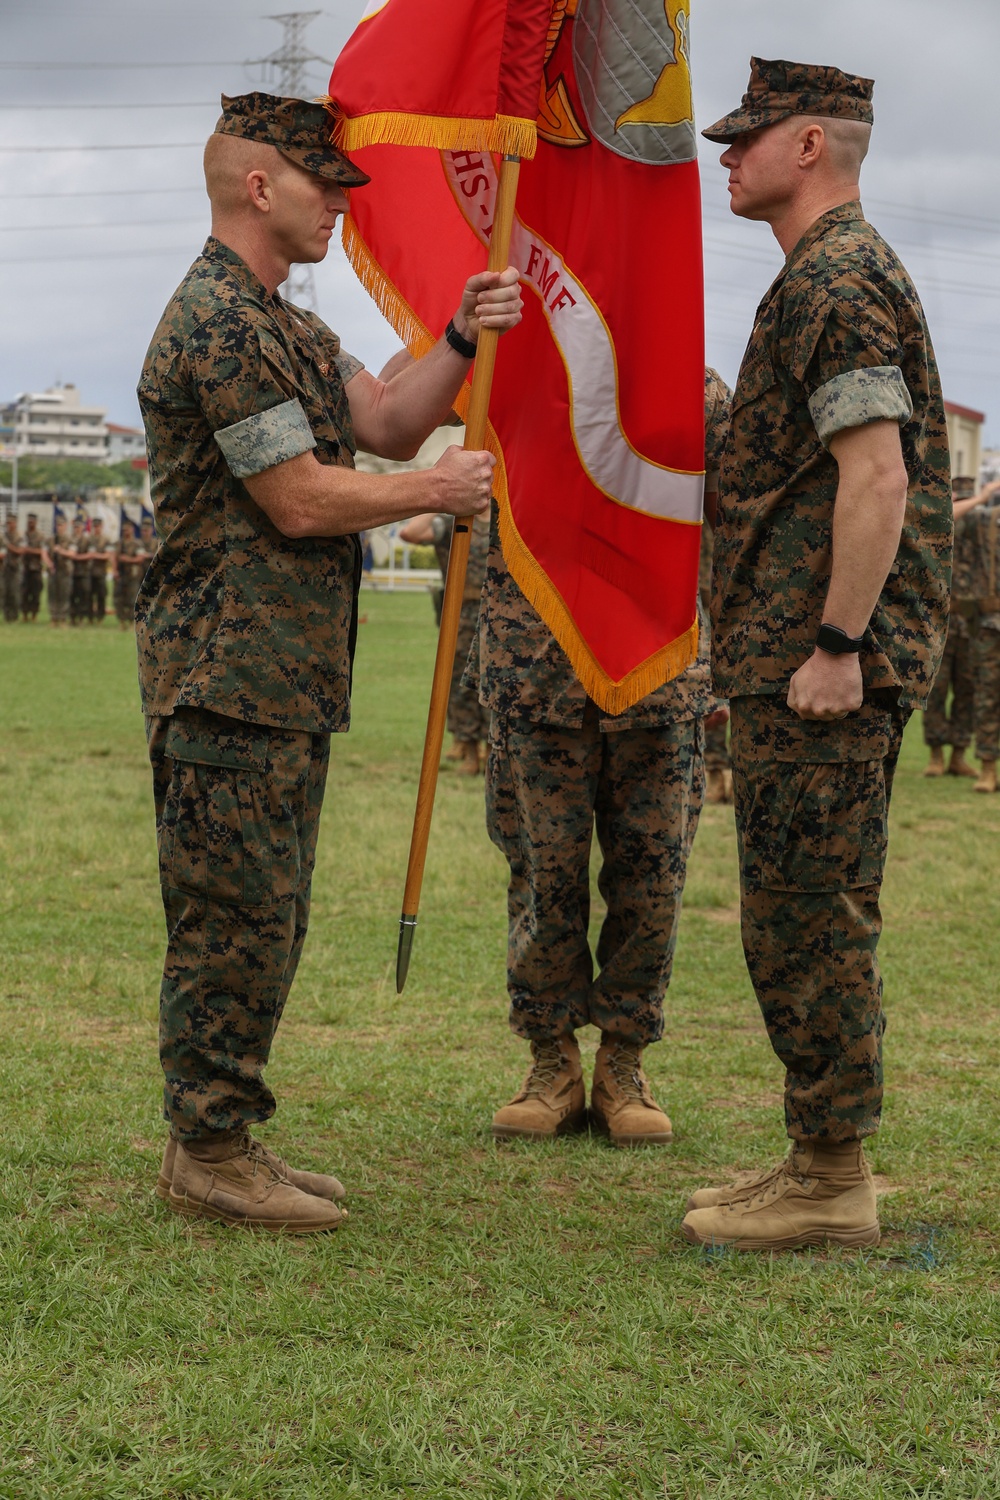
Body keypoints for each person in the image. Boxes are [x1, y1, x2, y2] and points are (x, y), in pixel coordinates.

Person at [136, 91, 522, 1233]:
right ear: (261, 185)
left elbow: (391, 419)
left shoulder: (286, 326)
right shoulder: (215, 322)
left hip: (280, 679)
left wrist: (458, 334)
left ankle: (227, 1135)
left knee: (269, 913)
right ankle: (206, 1148)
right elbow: (300, 499)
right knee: (229, 914)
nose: (338, 207)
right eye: (323, 186)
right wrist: (434, 493)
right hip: (225, 675)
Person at [682, 59, 952, 1250]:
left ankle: (831, 1179)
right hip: (795, 651)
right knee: (798, 906)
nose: (724, 157)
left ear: (809, 148)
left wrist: (837, 643)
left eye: (745, 140)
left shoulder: (837, 279)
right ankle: (813, 1154)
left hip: (820, 660)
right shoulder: (818, 276)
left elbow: (876, 473)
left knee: (808, 912)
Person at [474, 368, 731, 1148]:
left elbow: (740, 501)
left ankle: (623, 1064)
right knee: (543, 879)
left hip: (656, 673)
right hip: (535, 671)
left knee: (652, 881)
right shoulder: (506, 374)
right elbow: (410, 396)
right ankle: (551, 1063)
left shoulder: (688, 379)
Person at [398, 509, 492, 774]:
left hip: (496, 614)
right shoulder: (454, 524)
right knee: (462, 685)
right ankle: (469, 751)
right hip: (459, 614)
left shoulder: (504, 521)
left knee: (493, 681)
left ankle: (490, 751)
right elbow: (410, 533)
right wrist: (440, 500)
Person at [922, 476, 979, 779]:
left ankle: (958, 755)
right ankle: (935, 755)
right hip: (940, 625)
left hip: (971, 626)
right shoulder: (939, 530)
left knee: (967, 691)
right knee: (937, 691)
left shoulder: (984, 537)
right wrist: (978, 499)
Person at [953, 478, 1000, 792]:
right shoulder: (983, 519)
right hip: (990, 622)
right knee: (986, 696)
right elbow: (949, 518)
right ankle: (987, 768)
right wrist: (983, 496)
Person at [114, 516, 146, 630]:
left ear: (132, 530)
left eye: (127, 529)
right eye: (123, 530)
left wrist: (126, 559)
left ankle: (131, 620)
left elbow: (140, 558)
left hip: (133, 575)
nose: (125, 532)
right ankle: (122, 621)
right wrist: (115, 570)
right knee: (119, 598)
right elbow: (115, 558)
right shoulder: (119, 543)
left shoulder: (137, 543)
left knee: (132, 599)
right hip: (121, 575)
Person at [20, 513, 50, 622]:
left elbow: (42, 551)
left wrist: (29, 550)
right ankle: (24, 614)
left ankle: (34, 615)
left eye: (32, 521)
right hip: (25, 568)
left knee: (35, 593)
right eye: (29, 521)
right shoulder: (24, 535)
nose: (30, 523)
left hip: (36, 568)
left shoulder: (40, 536)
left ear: (36, 522)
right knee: (24, 592)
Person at [48, 512, 75, 627]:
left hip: (65, 571)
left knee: (64, 594)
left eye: (61, 525)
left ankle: (63, 618)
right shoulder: (51, 539)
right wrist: (49, 564)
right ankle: (54, 618)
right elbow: (44, 552)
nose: (59, 527)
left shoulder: (70, 540)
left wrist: (60, 551)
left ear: (66, 526)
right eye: (57, 525)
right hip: (54, 571)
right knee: (53, 594)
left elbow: (72, 553)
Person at [87, 515, 111, 624]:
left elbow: (107, 555)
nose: (96, 528)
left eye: (98, 526)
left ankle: (100, 617)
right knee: (89, 595)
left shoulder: (106, 540)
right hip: (89, 572)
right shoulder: (88, 539)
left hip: (101, 572)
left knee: (101, 595)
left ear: (101, 527)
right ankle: (90, 617)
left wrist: (94, 555)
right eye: (94, 526)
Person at [69, 515, 91, 626]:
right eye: (75, 527)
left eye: (79, 527)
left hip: (83, 572)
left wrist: (76, 557)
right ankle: (73, 618)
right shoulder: (69, 539)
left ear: (82, 527)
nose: (77, 529)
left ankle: (82, 618)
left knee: (83, 596)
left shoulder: (87, 540)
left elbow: (91, 554)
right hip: (71, 572)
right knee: (72, 595)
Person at [2, 514, 23, 622]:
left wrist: (8, 546)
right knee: (5, 592)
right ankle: (7, 616)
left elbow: (21, 551)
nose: (10, 525)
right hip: (4, 568)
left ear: (15, 523)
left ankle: (14, 616)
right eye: (8, 523)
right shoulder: (3, 536)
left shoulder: (19, 536)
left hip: (15, 568)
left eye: (11, 523)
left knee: (14, 593)